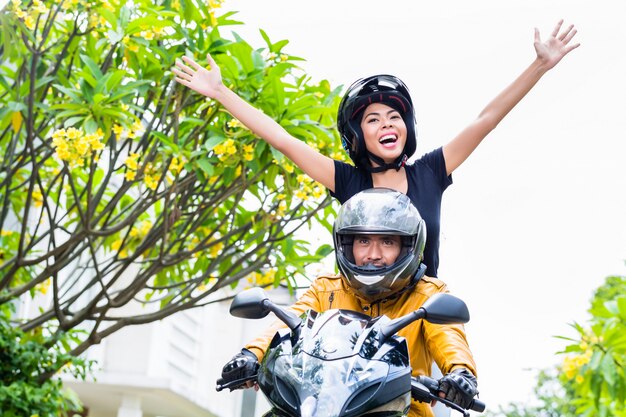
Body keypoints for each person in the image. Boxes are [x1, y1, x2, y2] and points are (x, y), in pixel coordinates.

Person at [172, 20, 579, 278]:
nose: (386, 124)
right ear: (359, 136)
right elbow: (281, 138)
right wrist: (220, 92)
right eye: (372, 119)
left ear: (406, 127)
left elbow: (486, 119)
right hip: (353, 322)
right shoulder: (348, 180)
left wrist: (539, 66)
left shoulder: (431, 172)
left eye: (393, 116)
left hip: (422, 321)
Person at [219, 188, 478, 417]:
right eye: (363, 241)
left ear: (408, 246)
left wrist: (460, 375)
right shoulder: (326, 289)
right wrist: (250, 354)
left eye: (387, 242)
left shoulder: (427, 294)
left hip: (402, 410)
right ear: (347, 244)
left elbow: (449, 338)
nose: (373, 255)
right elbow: (287, 322)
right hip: (316, 405)